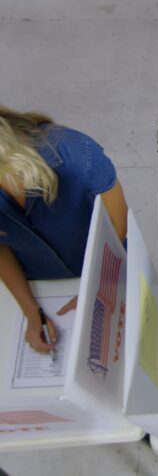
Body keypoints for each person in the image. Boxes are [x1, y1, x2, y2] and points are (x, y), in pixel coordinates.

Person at [0, 106, 127, 355]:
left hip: (106, 267)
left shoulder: (75, 153)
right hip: (40, 284)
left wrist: (98, 291)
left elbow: (117, 226)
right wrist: (31, 311)